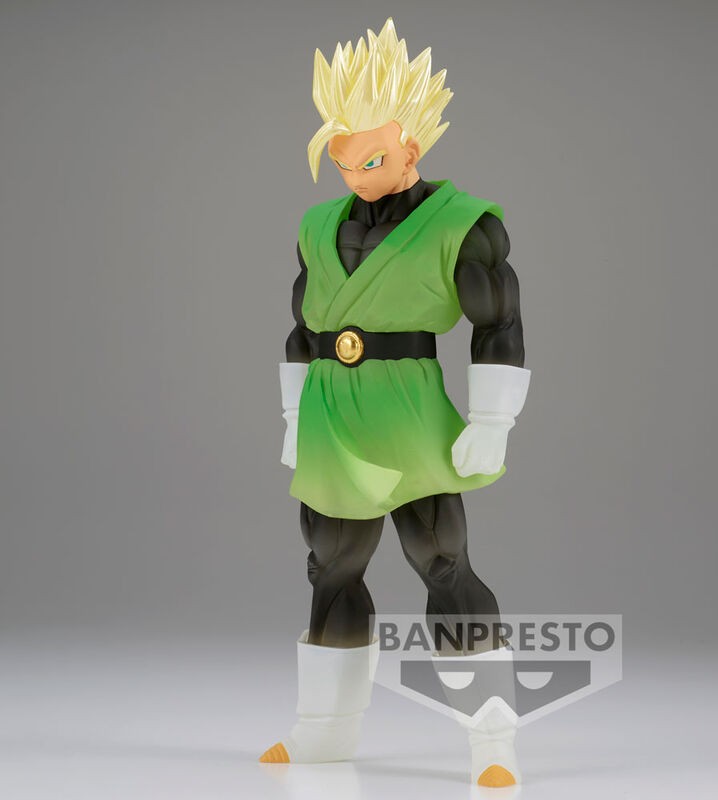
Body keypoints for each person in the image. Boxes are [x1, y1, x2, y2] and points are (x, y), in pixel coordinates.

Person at [260, 19, 531, 788]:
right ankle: (323, 732)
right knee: (330, 566)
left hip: (409, 410)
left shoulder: (464, 225)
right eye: (342, 161)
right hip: (332, 412)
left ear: (412, 146)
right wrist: (292, 418)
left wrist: (493, 419)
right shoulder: (318, 226)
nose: (354, 175)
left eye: (371, 160)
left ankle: (492, 738)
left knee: (442, 561)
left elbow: (498, 322)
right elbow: (302, 330)